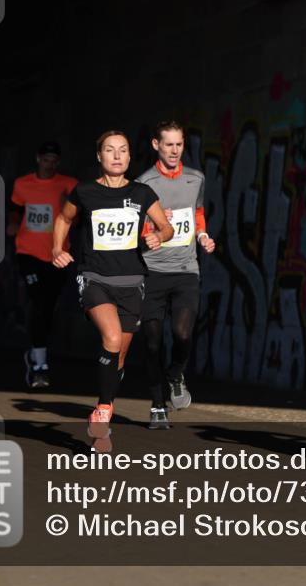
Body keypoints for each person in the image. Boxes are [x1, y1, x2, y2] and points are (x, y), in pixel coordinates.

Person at [52, 131, 172, 452]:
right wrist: (56, 248)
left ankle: (102, 416)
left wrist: (159, 235)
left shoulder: (142, 193)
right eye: (110, 150)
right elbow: (64, 219)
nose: (117, 156)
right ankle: (104, 413)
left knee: (117, 359)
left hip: (132, 283)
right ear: (99, 157)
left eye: (123, 151)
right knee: (112, 338)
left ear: (130, 157)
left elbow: (166, 227)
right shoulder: (86, 192)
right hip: (95, 279)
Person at [136, 121, 216, 429]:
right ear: (156, 145)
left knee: (183, 333)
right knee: (153, 342)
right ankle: (157, 405)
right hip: (152, 271)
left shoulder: (196, 178)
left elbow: (196, 212)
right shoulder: (144, 183)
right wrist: (150, 230)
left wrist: (203, 236)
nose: (174, 150)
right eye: (168, 144)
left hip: (185, 269)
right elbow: (134, 225)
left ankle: (176, 372)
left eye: (179, 145)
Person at [7, 141, 78, 388]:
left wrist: (68, 202)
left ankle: (36, 354)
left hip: (57, 255)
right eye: (46, 159)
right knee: (38, 302)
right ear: (38, 159)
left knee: (47, 307)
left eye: (54, 161)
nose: (50, 164)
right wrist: (14, 223)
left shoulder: (69, 184)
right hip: (28, 252)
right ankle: (39, 364)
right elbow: (15, 208)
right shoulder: (22, 184)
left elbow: (79, 217)